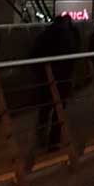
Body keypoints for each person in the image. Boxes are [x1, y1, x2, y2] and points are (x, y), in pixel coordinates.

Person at [32, 14, 80, 150]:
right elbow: (72, 56)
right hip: (62, 78)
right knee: (58, 110)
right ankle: (54, 141)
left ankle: (41, 136)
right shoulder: (68, 37)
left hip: (46, 78)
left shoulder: (45, 35)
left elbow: (34, 54)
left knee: (45, 109)